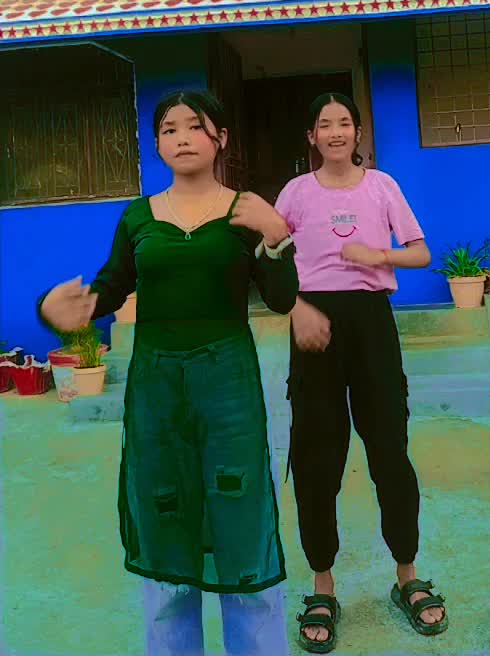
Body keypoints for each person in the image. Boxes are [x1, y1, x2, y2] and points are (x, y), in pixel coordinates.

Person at [38, 89, 299, 656]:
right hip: (157, 392)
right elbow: (109, 286)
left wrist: (276, 236)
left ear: (220, 138)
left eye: (194, 126)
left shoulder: (246, 211)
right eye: (169, 129)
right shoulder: (138, 216)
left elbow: (281, 300)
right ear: (157, 144)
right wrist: (69, 309)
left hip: (229, 389)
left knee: (241, 523)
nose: (182, 138)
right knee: (165, 521)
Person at [274, 92, 448, 652]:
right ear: (311, 136)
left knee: (390, 451)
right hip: (315, 326)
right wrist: (294, 306)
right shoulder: (295, 193)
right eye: (324, 124)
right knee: (316, 459)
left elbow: (421, 252)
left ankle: (407, 575)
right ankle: (322, 585)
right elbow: (270, 258)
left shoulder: (382, 186)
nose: (335, 132)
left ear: (357, 132)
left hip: (372, 323)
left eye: (344, 122)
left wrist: (381, 256)